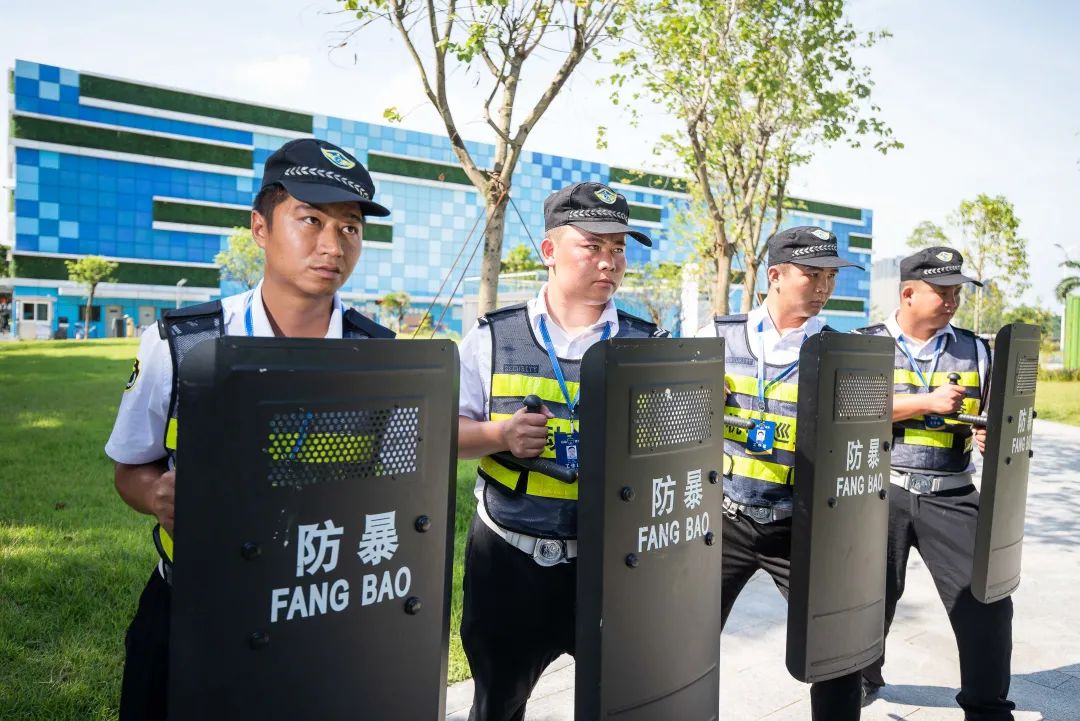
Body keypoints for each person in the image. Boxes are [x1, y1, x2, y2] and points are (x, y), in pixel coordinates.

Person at [104, 138, 395, 721]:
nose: (332, 245)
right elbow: (131, 470)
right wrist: (156, 495)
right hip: (195, 602)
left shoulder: (382, 357)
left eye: (350, 228)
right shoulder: (181, 343)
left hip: (327, 612)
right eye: (310, 220)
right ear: (260, 228)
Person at [456, 182, 667, 721]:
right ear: (549, 250)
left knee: (620, 704)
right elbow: (446, 433)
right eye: (592, 246)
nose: (609, 261)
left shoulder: (648, 345)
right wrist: (501, 436)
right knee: (498, 704)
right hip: (508, 559)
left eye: (618, 248)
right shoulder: (493, 337)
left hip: (612, 564)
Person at [698, 226, 866, 720]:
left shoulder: (843, 350)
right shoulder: (716, 335)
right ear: (774, 275)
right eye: (812, 274)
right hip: (724, 520)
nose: (823, 287)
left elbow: (863, 440)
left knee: (835, 650)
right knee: (680, 639)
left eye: (830, 276)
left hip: (804, 526)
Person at [856, 247, 1014, 720]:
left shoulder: (975, 349)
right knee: (869, 598)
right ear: (908, 293)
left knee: (986, 601)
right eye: (942, 291)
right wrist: (926, 402)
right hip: (880, 491)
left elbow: (995, 413)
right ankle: (862, 675)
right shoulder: (863, 344)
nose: (952, 301)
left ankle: (987, 708)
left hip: (952, 491)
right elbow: (849, 412)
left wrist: (990, 434)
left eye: (956, 292)